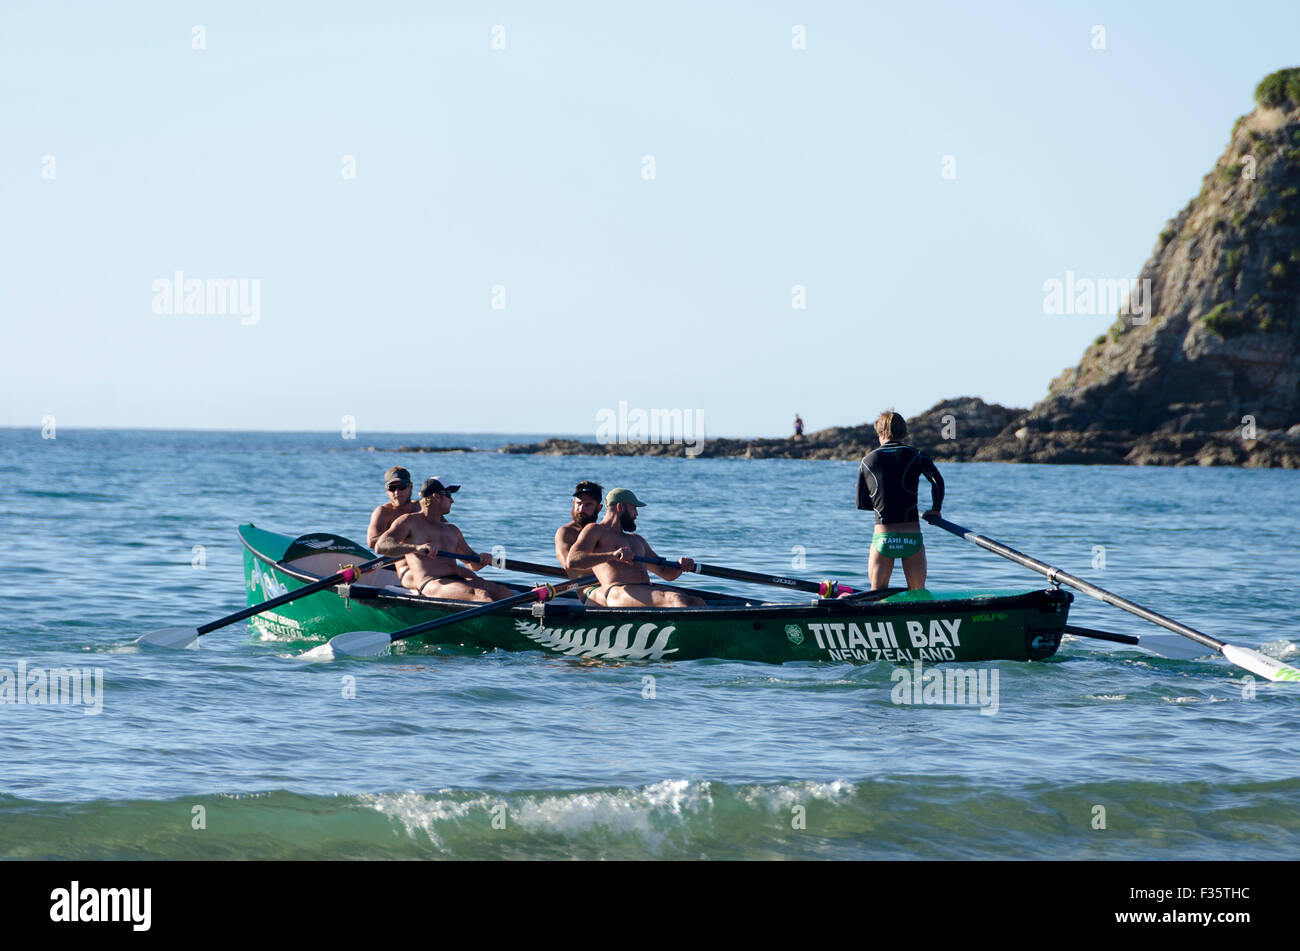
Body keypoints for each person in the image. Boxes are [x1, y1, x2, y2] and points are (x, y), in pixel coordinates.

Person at [374, 478, 514, 602]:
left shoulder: (452, 529)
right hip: (432, 583)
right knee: (481, 596)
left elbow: (472, 564)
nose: (452, 500)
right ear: (436, 497)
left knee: (503, 592)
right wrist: (416, 548)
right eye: (448, 495)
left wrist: (482, 558)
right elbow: (381, 546)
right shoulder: (409, 521)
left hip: (459, 578)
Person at [566, 488, 706, 608]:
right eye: (634, 508)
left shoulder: (637, 540)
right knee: (675, 599)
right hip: (619, 592)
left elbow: (666, 574)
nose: (636, 514)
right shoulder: (595, 530)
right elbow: (572, 561)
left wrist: (681, 566)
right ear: (620, 507)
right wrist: (613, 555)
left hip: (645, 590)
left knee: (696, 601)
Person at [856, 410, 944, 591]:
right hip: (911, 537)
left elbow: (862, 503)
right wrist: (935, 509)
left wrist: (884, 503)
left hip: (884, 539)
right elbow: (937, 482)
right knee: (917, 593)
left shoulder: (867, 461)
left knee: (877, 593)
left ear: (881, 433)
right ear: (903, 433)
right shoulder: (917, 456)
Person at [554, 480, 604, 600]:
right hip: (588, 592)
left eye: (588, 505)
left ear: (599, 508)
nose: (581, 509)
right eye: (579, 503)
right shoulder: (566, 533)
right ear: (573, 503)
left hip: (611, 586)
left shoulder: (603, 532)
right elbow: (570, 565)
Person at [367, 466, 420, 549]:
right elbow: (372, 542)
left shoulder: (421, 507)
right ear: (387, 490)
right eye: (392, 488)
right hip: (397, 560)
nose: (397, 492)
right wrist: (407, 534)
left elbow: (445, 528)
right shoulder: (383, 512)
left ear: (411, 487)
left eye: (401, 487)